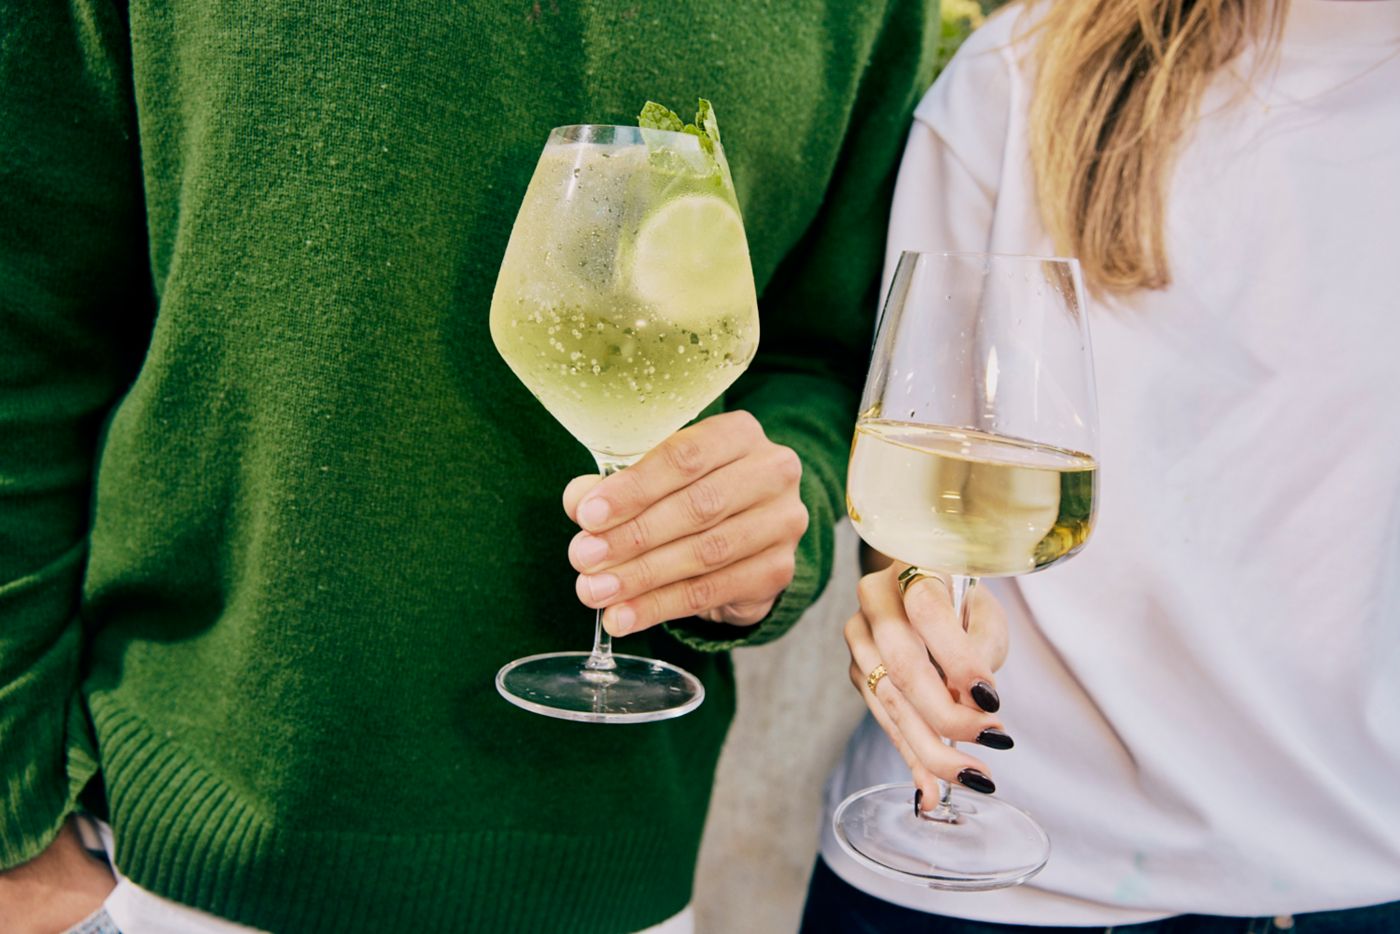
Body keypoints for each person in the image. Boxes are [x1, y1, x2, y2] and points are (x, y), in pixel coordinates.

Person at [0, 3, 938, 933]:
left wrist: (772, 514)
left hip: (620, 869)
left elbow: (820, 360)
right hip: (167, 861)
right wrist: (9, 843)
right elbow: (23, 320)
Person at [802, 0, 1400, 930]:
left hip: (1362, 879)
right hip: (978, 877)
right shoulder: (1022, 74)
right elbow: (911, 484)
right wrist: (912, 611)